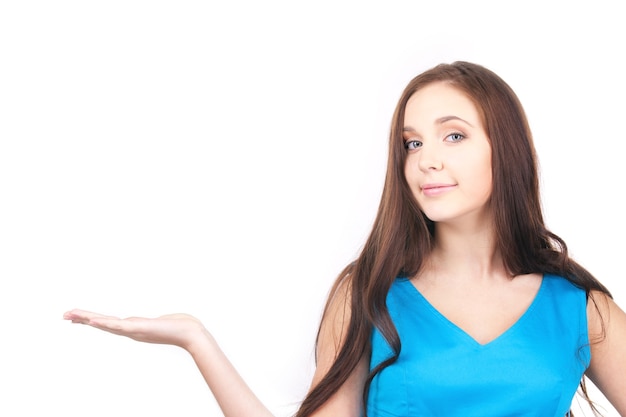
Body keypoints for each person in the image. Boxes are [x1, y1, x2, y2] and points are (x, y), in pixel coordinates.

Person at [64, 61, 626, 417]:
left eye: (453, 135)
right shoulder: (368, 296)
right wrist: (197, 341)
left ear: (505, 149)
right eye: (411, 143)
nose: (427, 160)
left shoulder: (580, 308)